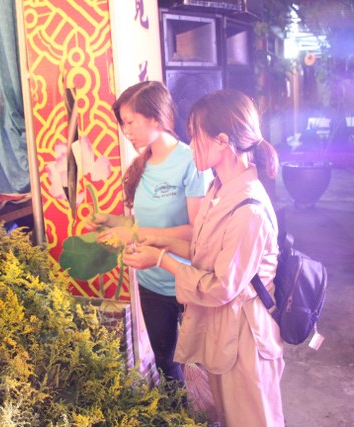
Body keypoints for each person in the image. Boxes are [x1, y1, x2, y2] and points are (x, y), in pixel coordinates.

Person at [123, 89, 285, 426]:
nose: (190, 143)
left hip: (246, 341)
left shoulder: (249, 210)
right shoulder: (218, 189)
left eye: (195, 134)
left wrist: (161, 260)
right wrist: (156, 241)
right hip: (225, 334)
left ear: (222, 141)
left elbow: (220, 286)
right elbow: (202, 252)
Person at [86, 81, 209, 386]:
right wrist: (111, 222)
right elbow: (141, 224)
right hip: (150, 282)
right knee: (165, 364)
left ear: (155, 118)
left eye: (130, 122)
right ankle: (178, 411)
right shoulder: (141, 164)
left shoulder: (191, 162)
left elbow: (197, 231)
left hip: (185, 278)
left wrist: (134, 233)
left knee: (201, 363)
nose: (125, 131)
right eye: (123, 123)